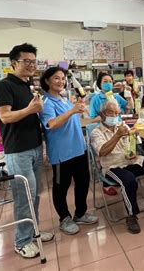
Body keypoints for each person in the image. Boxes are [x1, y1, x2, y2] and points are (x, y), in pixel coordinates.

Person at [0, 43, 54, 259]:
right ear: (13, 63)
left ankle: (33, 231)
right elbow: (5, 117)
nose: (31, 65)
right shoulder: (4, 86)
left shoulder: (26, 85)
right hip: (18, 151)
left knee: (34, 195)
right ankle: (22, 241)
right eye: (26, 61)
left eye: (33, 61)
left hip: (35, 148)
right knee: (23, 196)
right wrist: (30, 109)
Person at [90, 101, 144, 234]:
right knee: (129, 181)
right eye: (111, 113)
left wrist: (134, 140)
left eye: (117, 113)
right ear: (102, 114)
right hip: (112, 166)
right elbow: (102, 152)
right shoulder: (96, 132)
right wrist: (117, 135)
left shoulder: (121, 126)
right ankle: (131, 216)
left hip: (131, 161)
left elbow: (131, 144)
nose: (114, 116)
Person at [39, 67, 98, 235]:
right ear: (47, 81)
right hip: (62, 153)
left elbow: (73, 119)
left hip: (79, 149)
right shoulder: (46, 102)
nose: (61, 81)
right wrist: (73, 110)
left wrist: (78, 109)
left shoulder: (64, 99)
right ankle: (64, 218)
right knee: (61, 187)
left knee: (83, 182)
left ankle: (80, 213)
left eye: (63, 78)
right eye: (56, 78)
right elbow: (51, 124)